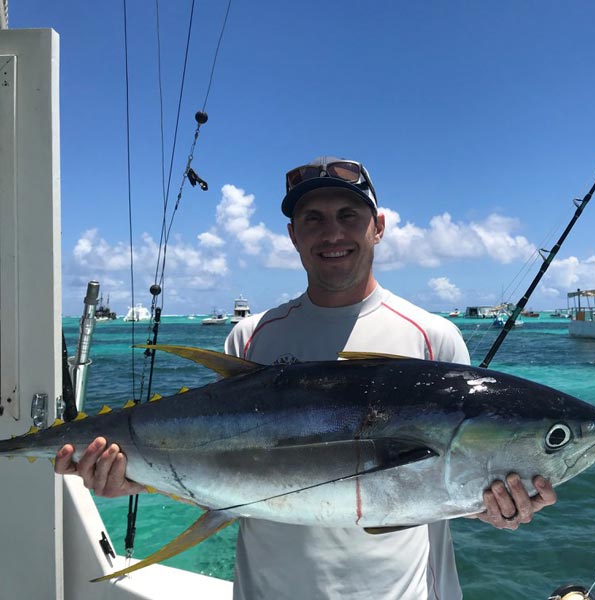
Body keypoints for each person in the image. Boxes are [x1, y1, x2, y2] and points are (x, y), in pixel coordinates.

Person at [55, 156, 557, 599]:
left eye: (348, 216)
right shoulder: (251, 338)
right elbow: (216, 465)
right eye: (312, 219)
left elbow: (446, 481)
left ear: (377, 227)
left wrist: (496, 510)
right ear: (293, 235)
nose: (331, 234)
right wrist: (131, 479)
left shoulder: (434, 339)